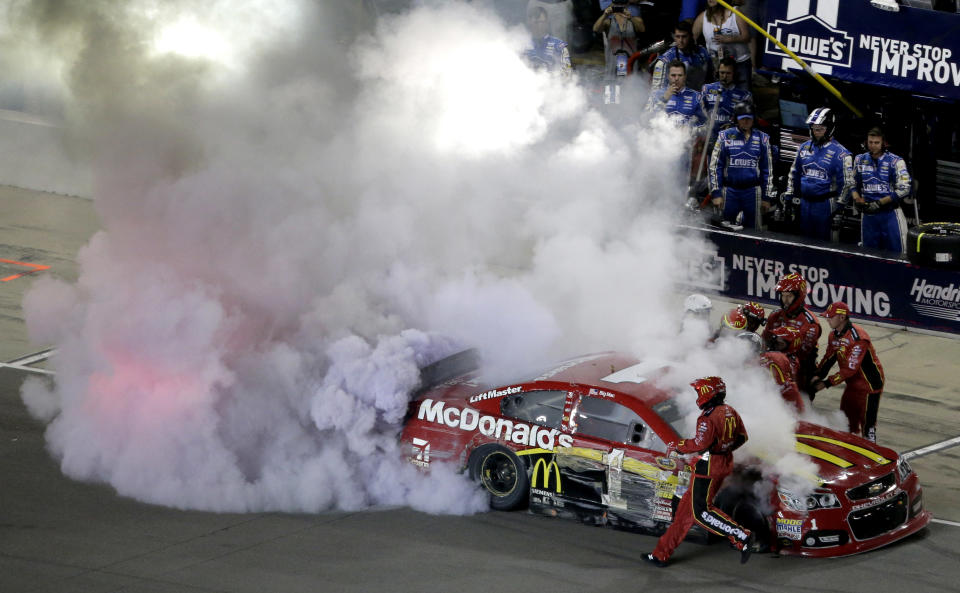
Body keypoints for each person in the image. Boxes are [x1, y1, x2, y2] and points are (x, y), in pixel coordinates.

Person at [643, 376, 754, 567]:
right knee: (684, 515)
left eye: (698, 391)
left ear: (707, 394)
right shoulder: (730, 411)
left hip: (708, 468)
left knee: (701, 512)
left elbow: (700, 443)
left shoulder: (707, 417)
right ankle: (661, 554)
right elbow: (743, 437)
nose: (696, 395)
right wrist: (723, 448)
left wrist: (679, 445)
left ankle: (741, 535)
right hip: (722, 463)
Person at [811, 301, 886, 443]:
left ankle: (871, 454)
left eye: (830, 317)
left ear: (841, 317)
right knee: (845, 419)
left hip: (870, 386)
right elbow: (828, 358)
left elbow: (850, 369)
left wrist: (826, 383)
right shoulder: (833, 336)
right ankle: (850, 453)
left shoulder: (859, 338)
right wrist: (817, 375)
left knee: (867, 426)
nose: (827, 319)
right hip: (853, 384)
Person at [784, 107, 854, 241]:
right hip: (805, 204)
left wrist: (839, 207)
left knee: (827, 246)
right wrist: (788, 198)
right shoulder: (803, 148)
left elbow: (847, 183)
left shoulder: (842, 154)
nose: (816, 132)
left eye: (820, 129)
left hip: (827, 206)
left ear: (829, 128)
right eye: (813, 128)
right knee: (804, 242)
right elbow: (794, 174)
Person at [707, 101, 774, 230]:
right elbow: (715, 167)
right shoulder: (724, 136)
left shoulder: (763, 139)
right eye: (743, 119)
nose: (746, 122)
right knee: (724, 230)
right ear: (736, 119)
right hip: (729, 191)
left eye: (749, 118)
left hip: (753, 192)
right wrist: (716, 194)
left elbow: (768, 170)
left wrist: (766, 197)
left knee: (753, 233)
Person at [851, 127, 912, 253]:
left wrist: (880, 203)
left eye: (877, 143)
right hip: (868, 216)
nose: (873, 146)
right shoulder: (859, 159)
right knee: (868, 255)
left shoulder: (896, 161)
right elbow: (851, 184)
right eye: (870, 142)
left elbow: (905, 188)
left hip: (890, 215)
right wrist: (857, 199)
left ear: (883, 143)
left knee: (897, 255)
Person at [761, 273, 821, 393]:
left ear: (799, 296)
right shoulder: (774, 315)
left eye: (789, 296)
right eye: (783, 296)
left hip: (801, 368)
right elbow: (764, 342)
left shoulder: (810, 323)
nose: (785, 300)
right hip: (774, 364)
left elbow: (803, 355)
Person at [693, 0, 752, 89]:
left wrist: (729, 39)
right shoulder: (703, 17)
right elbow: (692, 38)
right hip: (717, 64)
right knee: (719, 96)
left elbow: (747, 37)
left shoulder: (735, 13)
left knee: (743, 94)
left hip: (740, 62)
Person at [700, 57, 753, 146]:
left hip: (731, 140)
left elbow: (748, 123)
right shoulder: (707, 89)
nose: (724, 76)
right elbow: (698, 111)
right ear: (717, 73)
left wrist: (733, 126)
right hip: (708, 137)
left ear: (734, 74)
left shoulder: (744, 96)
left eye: (728, 73)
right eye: (722, 73)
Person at [651, 20, 714, 92]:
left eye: (684, 37)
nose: (681, 40)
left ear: (690, 36)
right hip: (676, 100)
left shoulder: (702, 52)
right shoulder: (666, 59)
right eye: (678, 37)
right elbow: (656, 91)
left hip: (700, 97)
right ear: (674, 37)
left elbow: (711, 79)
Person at [646, 60, 706, 128]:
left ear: (685, 76)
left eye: (680, 75)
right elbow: (646, 119)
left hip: (686, 137)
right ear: (668, 76)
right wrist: (664, 99)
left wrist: (690, 130)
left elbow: (705, 124)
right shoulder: (656, 95)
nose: (676, 78)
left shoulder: (697, 97)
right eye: (673, 75)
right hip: (661, 136)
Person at [593, 0, 646, 76]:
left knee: (631, 82)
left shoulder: (635, 20)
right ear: (612, 5)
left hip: (630, 63)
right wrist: (605, 14)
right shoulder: (608, 22)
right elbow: (596, 29)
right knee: (612, 82)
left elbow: (642, 29)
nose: (619, 6)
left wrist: (631, 17)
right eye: (616, 4)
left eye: (622, 3)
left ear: (627, 5)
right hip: (613, 64)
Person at [761, 325, 805, 412]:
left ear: (792, 345)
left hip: (781, 400)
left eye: (780, 343)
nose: (776, 344)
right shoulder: (777, 354)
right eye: (776, 340)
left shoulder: (792, 362)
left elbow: (783, 384)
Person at [525, 7, 573, 74]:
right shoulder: (522, 44)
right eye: (535, 22)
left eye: (541, 22)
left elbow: (567, 72)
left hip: (552, 82)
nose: (539, 25)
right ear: (529, 23)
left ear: (547, 22)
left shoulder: (558, 45)